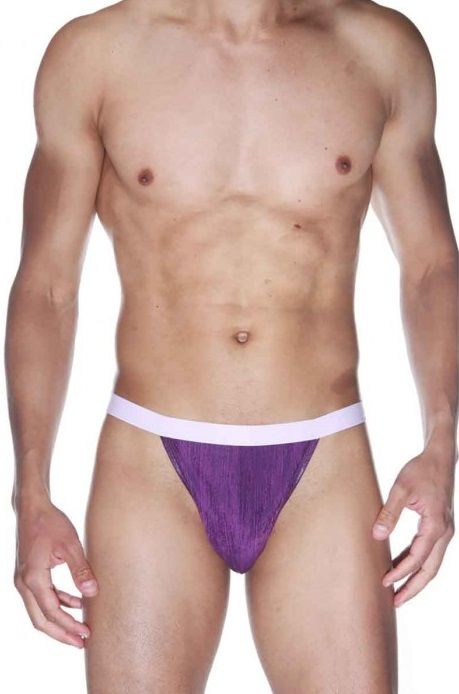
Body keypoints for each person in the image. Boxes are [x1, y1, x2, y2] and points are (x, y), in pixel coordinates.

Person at [5, 1, 458, 692]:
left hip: (324, 462)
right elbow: (46, 287)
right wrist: (31, 492)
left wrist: (441, 443)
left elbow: (430, 266)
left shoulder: (379, 49)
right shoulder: (95, 54)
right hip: (151, 464)